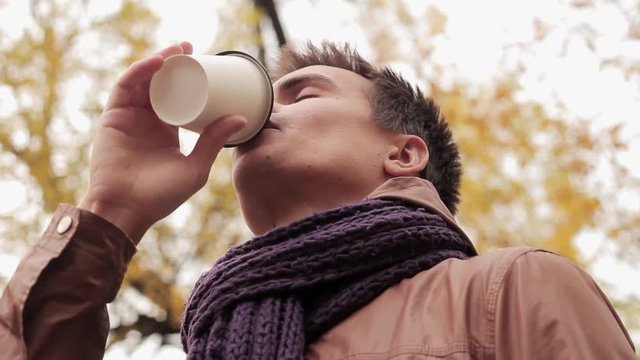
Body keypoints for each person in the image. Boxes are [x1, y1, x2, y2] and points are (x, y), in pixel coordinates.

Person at [0, 41, 636, 360]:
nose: (260, 113)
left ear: (404, 154)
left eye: (301, 96)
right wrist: (112, 213)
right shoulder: (215, 337)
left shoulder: (508, 291)